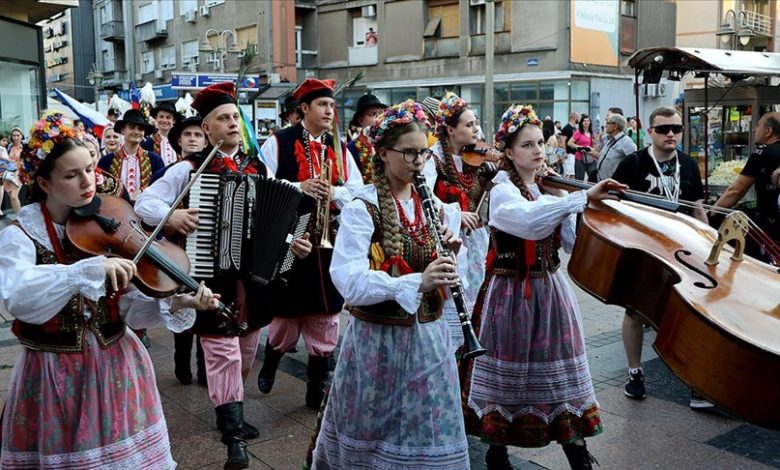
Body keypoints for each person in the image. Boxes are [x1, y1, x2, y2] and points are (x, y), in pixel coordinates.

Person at [0, 112, 220, 469]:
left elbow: (128, 308)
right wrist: (82, 272)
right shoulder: (21, 236)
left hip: (118, 363)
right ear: (44, 183)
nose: (88, 182)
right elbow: (20, 297)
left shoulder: (107, 223)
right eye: (72, 175)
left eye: (89, 168)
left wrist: (179, 300)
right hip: (54, 372)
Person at [136, 82, 313, 469]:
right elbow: (145, 201)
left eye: (235, 117)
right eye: (223, 118)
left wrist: (290, 242)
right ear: (207, 128)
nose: (232, 123)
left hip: (253, 277)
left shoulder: (257, 166)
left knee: (246, 349)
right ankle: (233, 433)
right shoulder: (189, 167)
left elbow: (279, 215)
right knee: (222, 350)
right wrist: (175, 215)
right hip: (208, 275)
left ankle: (226, 407)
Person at [308, 99, 469, 469]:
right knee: (376, 432)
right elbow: (348, 280)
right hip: (377, 343)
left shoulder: (431, 206)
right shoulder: (362, 206)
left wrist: (448, 256)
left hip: (428, 339)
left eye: (423, 155)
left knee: (424, 428)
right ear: (382, 153)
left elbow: (430, 269)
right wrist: (416, 281)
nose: (417, 163)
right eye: (408, 154)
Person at [461, 104, 622, 470]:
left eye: (540, 144)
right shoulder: (501, 190)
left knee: (559, 375)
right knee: (507, 375)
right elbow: (529, 224)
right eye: (527, 145)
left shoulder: (549, 188)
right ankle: (497, 453)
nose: (537, 152)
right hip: (509, 294)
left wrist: (584, 209)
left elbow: (568, 242)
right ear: (509, 152)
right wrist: (579, 198)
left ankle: (577, 453)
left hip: (550, 291)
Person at [258, 78, 362, 409]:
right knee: (286, 315)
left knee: (328, 312)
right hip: (292, 237)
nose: (329, 111)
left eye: (332, 105)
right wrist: (299, 186)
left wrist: (336, 192)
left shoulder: (341, 146)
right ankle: (273, 358)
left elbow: (358, 191)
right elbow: (262, 183)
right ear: (304, 109)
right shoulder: (279, 141)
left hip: (328, 240)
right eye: (322, 105)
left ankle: (315, 384)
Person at [611, 106, 708, 409]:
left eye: (676, 129)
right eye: (664, 129)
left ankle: (695, 381)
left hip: (683, 249)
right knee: (635, 311)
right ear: (649, 131)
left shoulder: (689, 164)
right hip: (643, 247)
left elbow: (697, 207)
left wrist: (709, 243)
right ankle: (635, 373)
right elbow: (613, 205)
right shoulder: (634, 163)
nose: (670, 134)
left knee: (688, 315)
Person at [427, 92, 490, 336]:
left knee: (475, 298)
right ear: (451, 130)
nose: (476, 129)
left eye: (476, 123)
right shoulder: (432, 159)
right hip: (448, 241)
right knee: (452, 304)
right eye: (469, 124)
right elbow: (423, 197)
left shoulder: (476, 157)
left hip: (477, 243)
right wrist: (455, 214)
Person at [713, 112, 780, 264]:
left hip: (771, 228)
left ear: (768, 131)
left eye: (758, 126)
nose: (755, 130)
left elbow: (736, 190)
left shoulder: (762, 151)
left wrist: (713, 212)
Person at [98, 109, 165, 202]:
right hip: (115, 213)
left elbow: (161, 189)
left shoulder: (155, 160)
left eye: (140, 129)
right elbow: (101, 193)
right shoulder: (106, 161)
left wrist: (142, 192)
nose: (137, 132)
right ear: (122, 130)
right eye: (132, 127)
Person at [346, 93, 387, 182]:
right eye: (372, 114)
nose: (378, 118)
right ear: (361, 120)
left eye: (380, 113)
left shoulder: (388, 142)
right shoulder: (351, 148)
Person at [596, 114, 637, 181]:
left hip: (613, 185)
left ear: (615, 126)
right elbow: (603, 157)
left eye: (608, 123)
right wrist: (592, 152)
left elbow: (634, 162)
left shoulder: (626, 142)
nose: (606, 126)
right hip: (602, 182)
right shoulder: (611, 140)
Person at [142, 101, 180, 166]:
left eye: (168, 117)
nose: (164, 120)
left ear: (174, 121)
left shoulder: (180, 142)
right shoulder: (147, 145)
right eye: (161, 117)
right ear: (156, 118)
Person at [567, 114, 599, 181]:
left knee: (593, 178)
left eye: (588, 121)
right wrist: (579, 147)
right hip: (580, 158)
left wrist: (595, 145)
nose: (586, 122)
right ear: (581, 123)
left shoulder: (593, 133)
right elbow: (569, 143)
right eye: (584, 121)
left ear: (590, 122)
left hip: (591, 158)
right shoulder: (578, 132)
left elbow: (596, 146)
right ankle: (578, 191)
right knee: (579, 179)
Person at [5, 127, 24, 215]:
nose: (15, 137)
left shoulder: (25, 147)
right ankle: (19, 216)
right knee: (10, 196)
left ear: (21, 136)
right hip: (8, 173)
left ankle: (21, 218)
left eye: (17, 135)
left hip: (19, 173)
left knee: (13, 197)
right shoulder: (9, 147)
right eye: (14, 135)